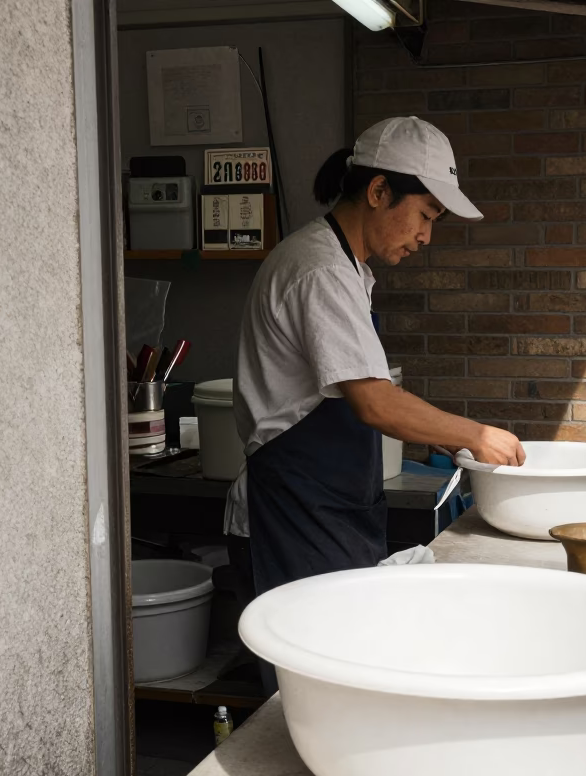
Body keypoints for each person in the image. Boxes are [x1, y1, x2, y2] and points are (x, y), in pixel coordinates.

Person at [225, 115, 525, 610]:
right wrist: (473, 435)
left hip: (329, 510)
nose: (426, 236)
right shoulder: (319, 270)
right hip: (292, 516)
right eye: (425, 215)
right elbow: (374, 403)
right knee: (307, 680)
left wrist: (446, 438)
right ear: (379, 191)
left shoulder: (346, 268)